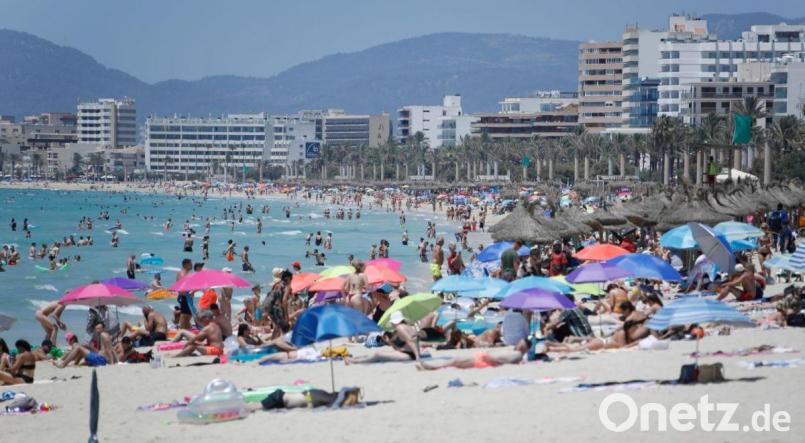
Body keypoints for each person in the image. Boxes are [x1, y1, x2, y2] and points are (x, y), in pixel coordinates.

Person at [345, 311, 424, 364]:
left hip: (410, 355)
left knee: (378, 354)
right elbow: (405, 345)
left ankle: (356, 362)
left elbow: (411, 340)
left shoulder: (400, 328)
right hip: (408, 353)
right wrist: (390, 342)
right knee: (380, 354)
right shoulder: (406, 327)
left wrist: (418, 357)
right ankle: (357, 359)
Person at [416, 340, 529, 370]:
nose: (518, 344)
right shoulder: (515, 352)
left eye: (521, 343)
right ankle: (433, 367)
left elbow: (502, 361)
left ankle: (433, 367)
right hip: (484, 358)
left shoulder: (517, 354)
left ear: (524, 347)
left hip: (484, 361)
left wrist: (488, 357)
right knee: (456, 361)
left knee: (456, 361)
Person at [259, 386, 362, 410]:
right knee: (253, 407)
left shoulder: (323, 395)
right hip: (279, 398)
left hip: (282, 398)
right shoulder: (326, 399)